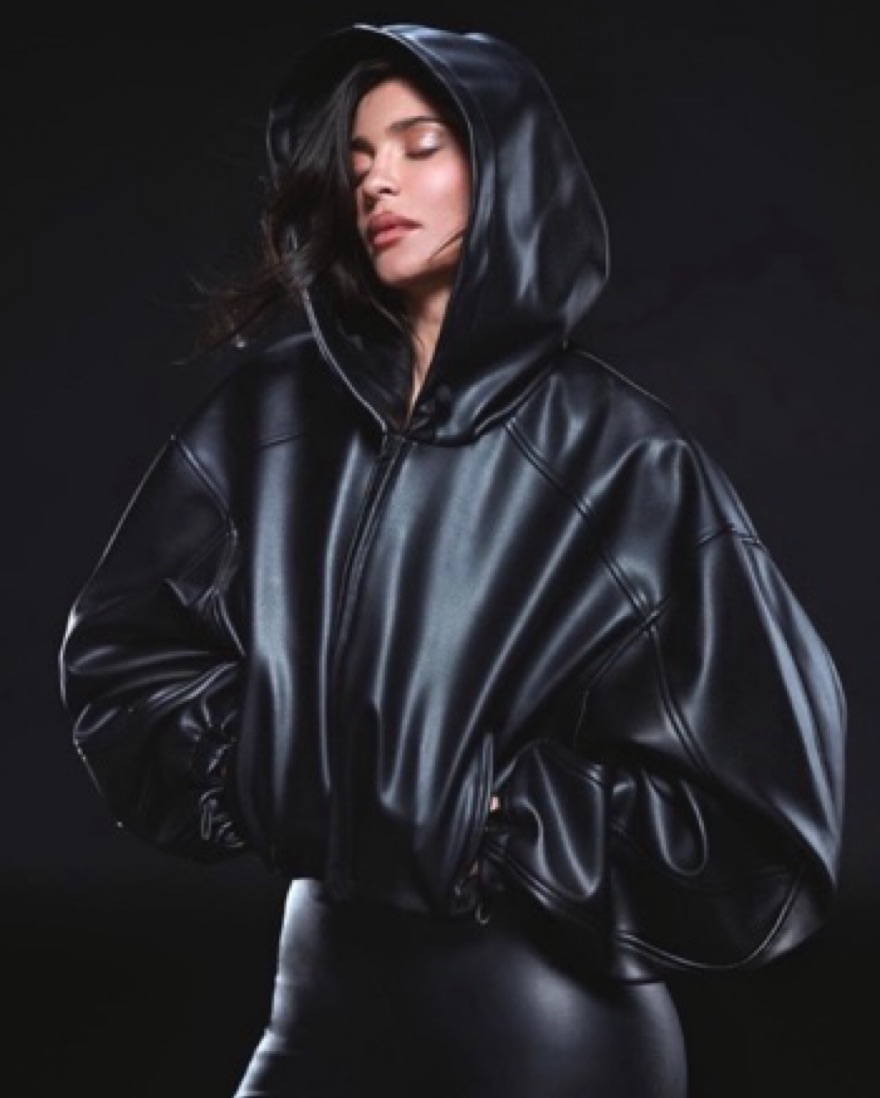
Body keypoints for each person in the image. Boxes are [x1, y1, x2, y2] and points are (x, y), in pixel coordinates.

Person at [58, 21, 847, 1098]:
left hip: (547, 1025)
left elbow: (761, 821)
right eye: (356, 159)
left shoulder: (622, 455)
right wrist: (279, 767)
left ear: (504, 168)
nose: (376, 180)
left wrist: (489, 816)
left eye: (419, 144)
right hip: (318, 996)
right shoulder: (269, 418)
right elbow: (122, 658)